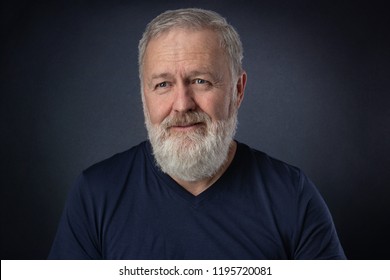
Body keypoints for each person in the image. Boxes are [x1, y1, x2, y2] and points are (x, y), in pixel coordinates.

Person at [48, 8, 346, 259]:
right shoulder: (96, 193)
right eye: (163, 84)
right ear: (143, 94)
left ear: (237, 90)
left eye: (201, 80)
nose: (182, 105)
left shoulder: (292, 195)